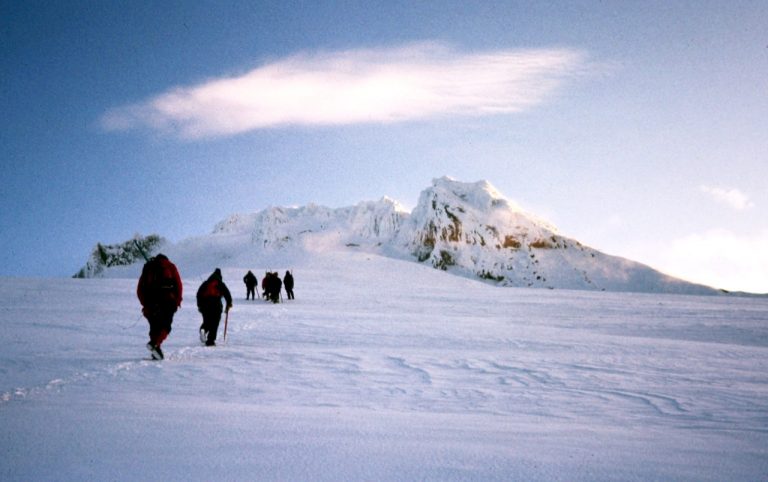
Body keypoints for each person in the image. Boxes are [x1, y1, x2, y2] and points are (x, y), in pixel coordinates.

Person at [136, 253, 183, 360]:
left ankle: (155, 351)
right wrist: (177, 301)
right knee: (166, 326)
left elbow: (140, 288)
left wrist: (145, 303)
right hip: (168, 300)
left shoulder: (148, 267)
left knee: (155, 326)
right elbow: (178, 284)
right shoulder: (170, 266)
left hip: (151, 302)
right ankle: (155, 344)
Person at [196, 268, 232, 346]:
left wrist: (199, 305)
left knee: (207, 321)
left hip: (205, 305)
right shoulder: (220, 283)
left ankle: (204, 330)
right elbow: (227, 294)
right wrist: (228, 304)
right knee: (215, 323)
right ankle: (210, 341)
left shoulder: (205, 283)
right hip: (216, 305)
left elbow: (198, 294)